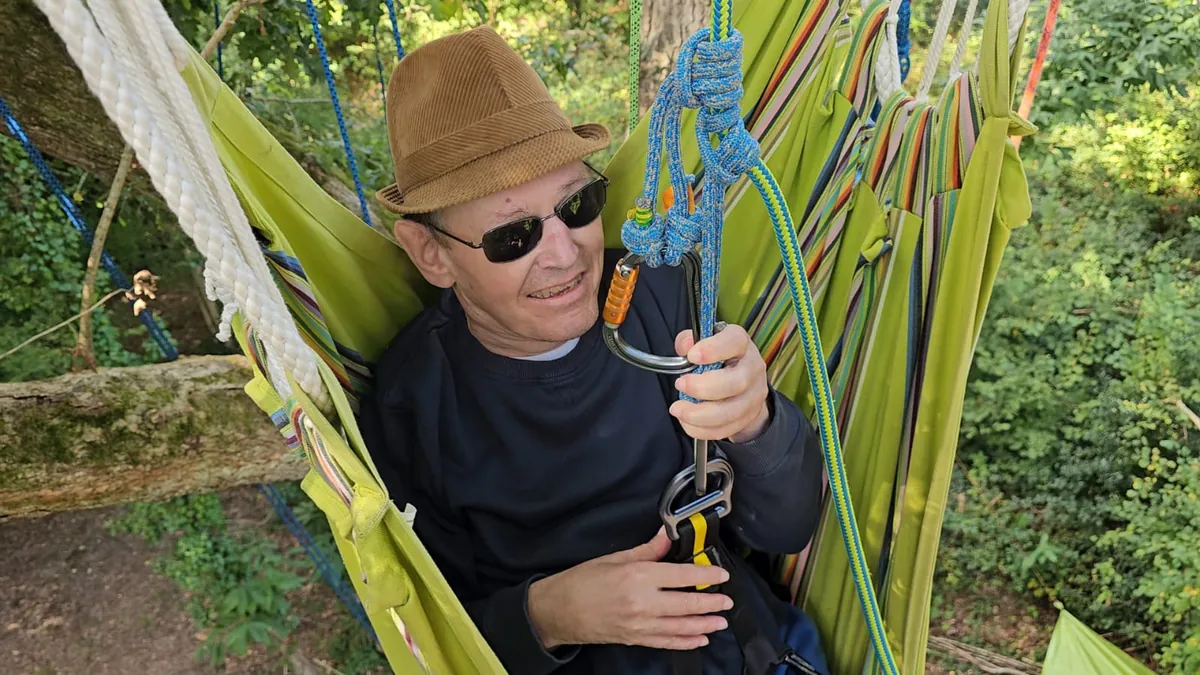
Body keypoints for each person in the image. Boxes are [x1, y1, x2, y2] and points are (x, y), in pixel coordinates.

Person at [359, 25, 828, 675]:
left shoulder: (661, 295)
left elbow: (786, 529)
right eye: (512, 235)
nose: (566, 252)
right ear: (431, 253)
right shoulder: (414, 403)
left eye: (577, 204)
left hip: (745, 652)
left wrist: (759, 424)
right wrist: (551, 613)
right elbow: (432, 638)